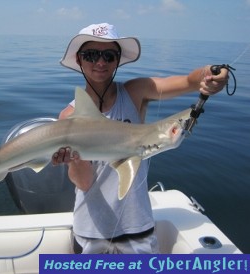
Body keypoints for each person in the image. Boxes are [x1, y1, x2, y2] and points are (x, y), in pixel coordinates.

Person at [51, 23, 229, 254]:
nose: (101, 62)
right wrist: (74, 159)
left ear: (117, 60)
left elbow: (189, 82)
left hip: (137, 227)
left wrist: (209, 73)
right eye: (91, 55)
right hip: (89, 230)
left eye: (109, 55)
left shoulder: (136, 92)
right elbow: (84, 183)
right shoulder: (68, 117)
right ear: (79, 59)